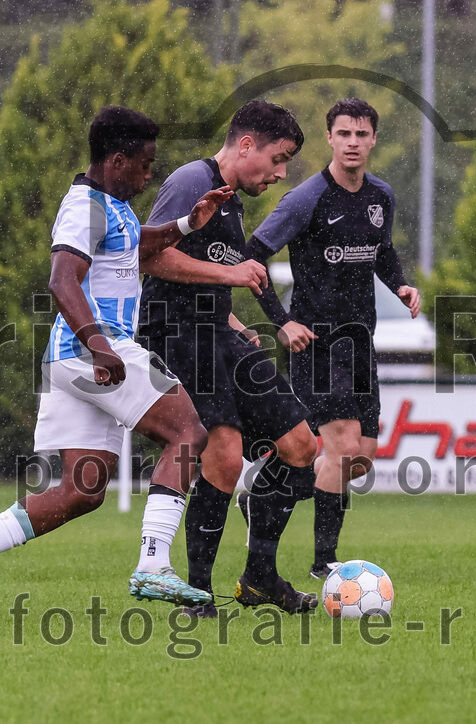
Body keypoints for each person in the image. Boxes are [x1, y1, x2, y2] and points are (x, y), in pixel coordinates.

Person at [0, 106, 268, 620]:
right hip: (95, 348)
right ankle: (153, 563)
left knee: (81, 492)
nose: (149, 176)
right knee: (189, 431)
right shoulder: (84, 207)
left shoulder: (113, 205)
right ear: (117, 160)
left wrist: (184, 224)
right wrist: (100, 346)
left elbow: (135, 246)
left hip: (72, 358)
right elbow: (62, 279)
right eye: (144, 165)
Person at [138, 100, 319, 616]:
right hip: (175, 333)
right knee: (224, 450)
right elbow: (149, 256)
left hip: (215, 331)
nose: (280, 173)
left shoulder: (232, 201)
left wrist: (234, 321)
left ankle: (259, 576)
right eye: (278, 159)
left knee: (301, 445)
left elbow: (204, 272)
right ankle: (197, 595)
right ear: (246, 145)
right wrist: (231, 276)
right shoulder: (192, 181)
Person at [240, 98, 421, 578]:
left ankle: (264, 486)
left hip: (360, 344)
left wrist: (400, 285)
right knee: (341, 448)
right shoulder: (306, 199)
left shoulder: (381, 196)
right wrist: (281, 321)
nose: (353, 143)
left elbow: (382, 252)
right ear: (330, 139)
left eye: (361, 134)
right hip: (316, 346)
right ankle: (326, 565)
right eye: (344, 134)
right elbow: (251, 256)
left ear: (373, 139)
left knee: (360, 460)